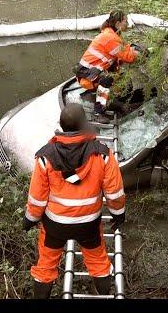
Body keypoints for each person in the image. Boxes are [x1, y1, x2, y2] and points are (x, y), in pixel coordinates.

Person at [22, 103, 126, 299]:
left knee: (46, 265)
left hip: (55, 225)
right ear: (84, 124)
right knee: (98, 262)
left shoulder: (45, 157)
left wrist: (30, 219)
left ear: (61, 126)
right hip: (88, 225)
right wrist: (118, 214)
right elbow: (114, 192)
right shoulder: (102, 154)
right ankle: (104, 294)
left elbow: (37, 196)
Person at [74, 10, 140, 123]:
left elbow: (123, 49)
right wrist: (140, 53)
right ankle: (98, 111)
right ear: (118, 23)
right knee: (107, 79)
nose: (127, 24)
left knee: (125, 80)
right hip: (87, 77)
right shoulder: (110, 38)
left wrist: (133, 49)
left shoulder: (112, 34)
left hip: (91, 73)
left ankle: (115, 100)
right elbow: (129, 57)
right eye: (125, 21)